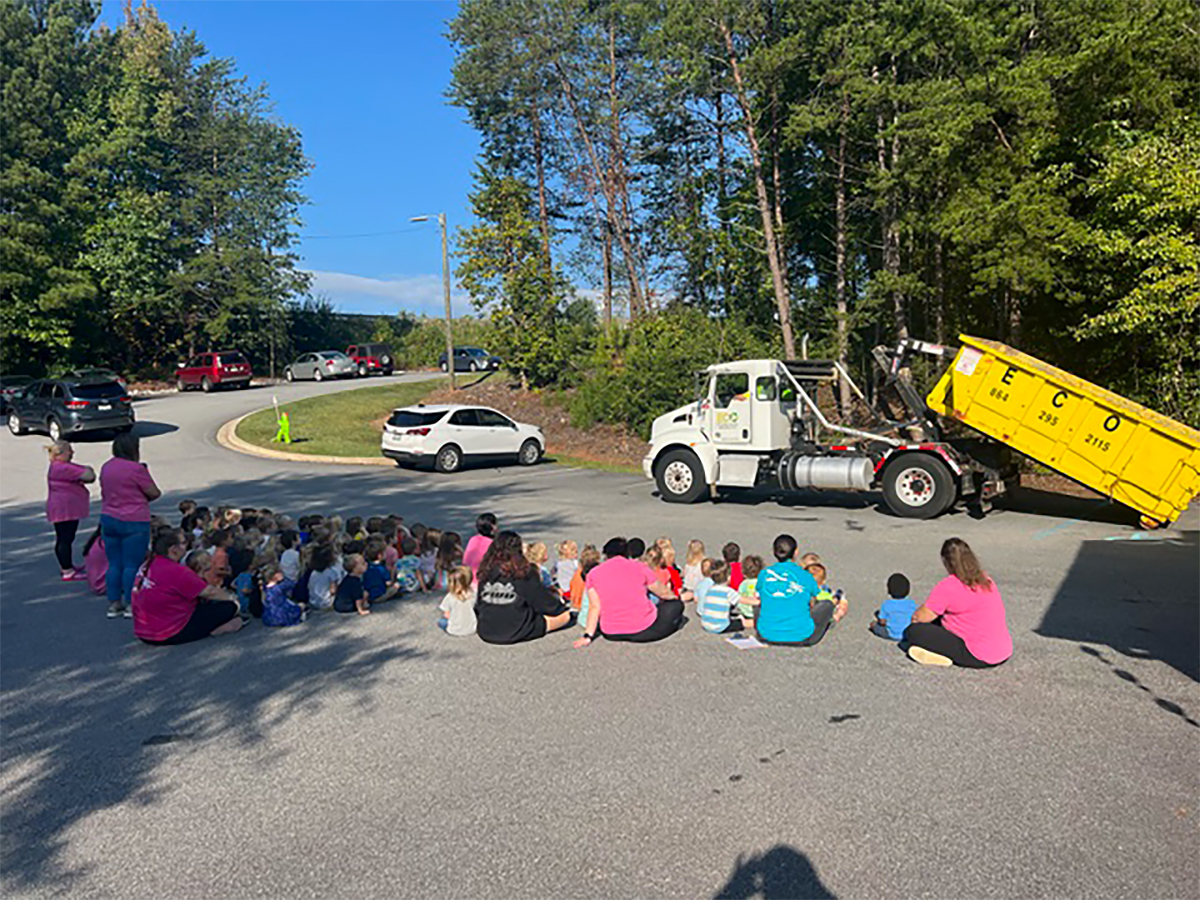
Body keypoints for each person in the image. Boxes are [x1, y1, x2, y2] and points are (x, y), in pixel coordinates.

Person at [903, 538, 1012, 667]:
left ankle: (941, 656)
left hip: (976, 654)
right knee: (942, 619)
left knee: (914, 631)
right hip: (1003, 650)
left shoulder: (949, 585)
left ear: (946, 562)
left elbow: (920, 617)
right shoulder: (985, 579)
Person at [132, 529, 242, 645]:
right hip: (169, 631)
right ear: (173, 549)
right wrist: (233, 598)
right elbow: (209, 592)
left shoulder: (149, 564)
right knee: (229, 606)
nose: (187, 545)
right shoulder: (176, 571)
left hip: (145, 630)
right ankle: (217, 628)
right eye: (184, 543)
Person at [574, 537, 683, 647]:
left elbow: (594, 606)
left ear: (606, 554)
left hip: (611, 632)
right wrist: (674, 598)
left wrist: (587, 636)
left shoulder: (593, 574)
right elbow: (663, 592)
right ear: (627, 552)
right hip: (644, 629)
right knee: (675, 606)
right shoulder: (639, 567)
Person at [100, 433, 161, 618]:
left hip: (109, 517)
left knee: (114, 563)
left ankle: (113, 603)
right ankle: (130, 603)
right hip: (134, 520)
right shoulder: (136, 469)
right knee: (132, 564)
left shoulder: (107, 467)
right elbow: (154, 492)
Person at [475, 531, 571, 644]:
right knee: (565, 616)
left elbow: (479, 604)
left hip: (487, 630)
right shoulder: (523, 572)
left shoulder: (486, 570)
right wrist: (560, 606)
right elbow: (545, 603)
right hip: (517, 629)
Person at [756, 534, 846, 647]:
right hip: (802, 637)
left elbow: (759, 594)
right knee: (826, 604)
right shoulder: (805, 575)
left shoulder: (764, 574)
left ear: (774, 552)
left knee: (760, 602)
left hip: (765, 634)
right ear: (796, 552)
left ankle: (771, 623)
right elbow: (819, 596)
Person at [46, 440, 95, 580]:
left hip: (64, 508)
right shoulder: (62, 468)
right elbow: (88, 475)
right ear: (60, 454)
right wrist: (88, 469)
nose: (72, 453)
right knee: (64, 539)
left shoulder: (59, 466)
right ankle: (67, 570)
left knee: (66, 538)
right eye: (69, 450)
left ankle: (68, 566)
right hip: (64, 510)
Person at [699, 560, 743, 634]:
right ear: (729, 577)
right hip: (720, 626)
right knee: (742, 622)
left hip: (705, 623)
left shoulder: (710, 588)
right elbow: (742, 600)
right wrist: (758, 601)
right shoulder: (728, 591)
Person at [871, 573, 916, 641]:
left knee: (874, 625)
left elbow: (882, 622)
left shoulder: (886, 604)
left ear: (889, 590)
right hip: (907, 633)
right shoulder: (912, 603)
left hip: (890, 633)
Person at [437, 565, 477, 636]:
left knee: (441, 621)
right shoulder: (474, 594)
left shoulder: (450, 596)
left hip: (454, 630)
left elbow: (447, 615)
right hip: (472, 629)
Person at [261, 561, 303, 627]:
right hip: (283, 614)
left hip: (270, 616)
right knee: (301, 605)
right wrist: (284, 579)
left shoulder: (265, 588)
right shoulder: (280, 587)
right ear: (275, 576)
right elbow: (292, 584)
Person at [307, 543, 342, 610]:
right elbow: (333, 590)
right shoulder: (331, 572)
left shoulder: (313, 572)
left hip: (313, 601)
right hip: (326, 602)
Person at [737, 554, 764, 623]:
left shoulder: (743, 584)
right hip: (759, 612)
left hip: (745, 611)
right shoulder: (762, 583)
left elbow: (739, 597)